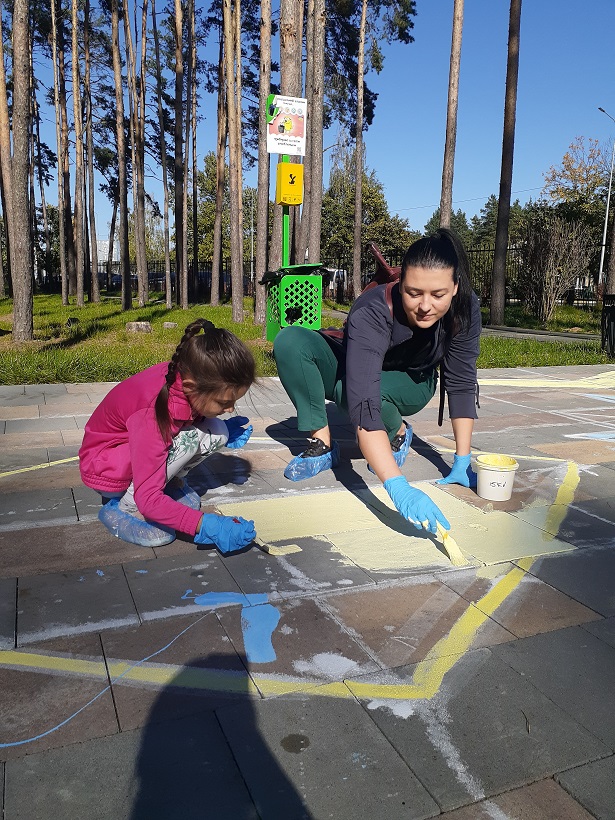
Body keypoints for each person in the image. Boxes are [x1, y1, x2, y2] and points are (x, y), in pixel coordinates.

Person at [273, 228, 481, 535]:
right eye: (413, 293)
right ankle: (323, 443)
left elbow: (461, 381)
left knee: (354, 392)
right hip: (364, 367)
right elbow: (363, 403)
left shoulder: (465, 307)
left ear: (455, 287)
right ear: (400, 285)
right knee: (291, 341)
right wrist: (399, 488)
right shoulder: (372, 310)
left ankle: (397, 431)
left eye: (438, 295)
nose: (425, 306)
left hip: (413, 379)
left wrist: (462, 461)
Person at [79, 319, 257, 552]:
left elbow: (185, 414)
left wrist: (209, 422)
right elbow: (149, 498)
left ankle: (162, 484)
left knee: (217, 431)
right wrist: (205, 525)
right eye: (225, 402)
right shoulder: (153, 413)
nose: (231, 408)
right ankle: (125, 507)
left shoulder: (184, 375)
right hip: (105, 467)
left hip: (128, 451)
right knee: (190, 441)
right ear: (192, 387)